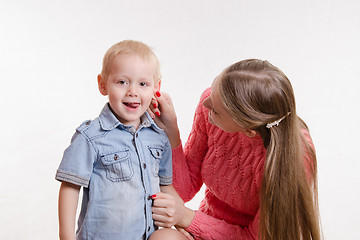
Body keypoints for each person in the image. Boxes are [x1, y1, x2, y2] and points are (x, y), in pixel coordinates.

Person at [148, 59, 321, 240]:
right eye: (214, 89)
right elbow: (184, 190)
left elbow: (254, 237)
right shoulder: (212, 103)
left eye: (216, 111)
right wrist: (171, 132)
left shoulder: (294, 161)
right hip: (205, 227)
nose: (206, 103)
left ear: (248, 130)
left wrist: (186, 217)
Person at [55, 40, 174, 240]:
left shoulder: (159, 137)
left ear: (156, 87)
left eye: (143, 84)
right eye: (122, 82)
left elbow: (166, 186)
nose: (133, 91)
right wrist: (66, 236)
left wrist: (178, 220)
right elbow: (70, 186)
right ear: (103, 84)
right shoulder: (91, 136)